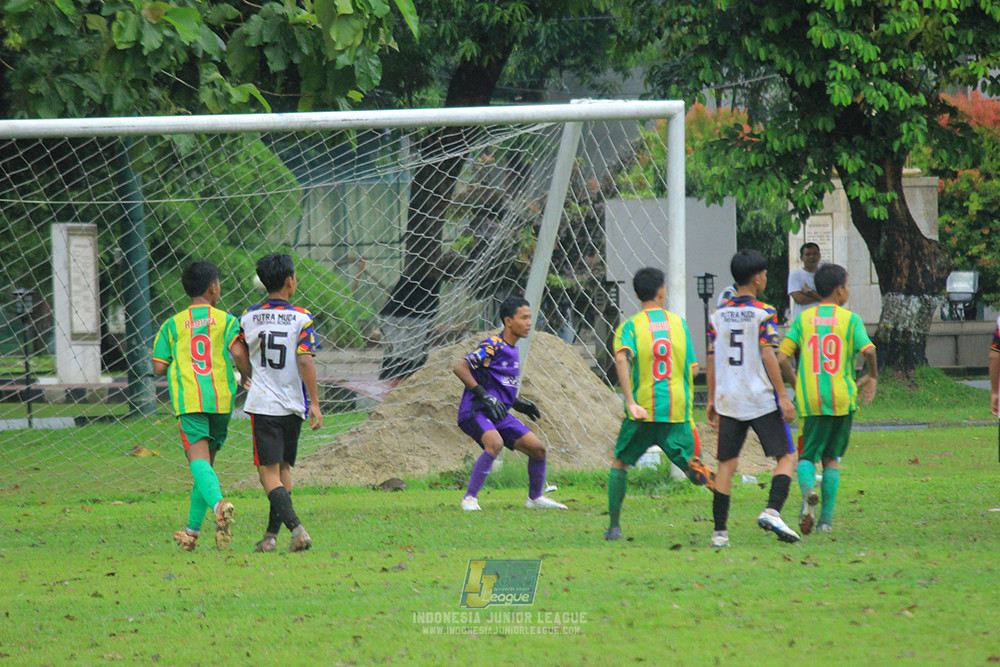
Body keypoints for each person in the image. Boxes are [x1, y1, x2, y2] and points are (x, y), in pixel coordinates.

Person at [605, 267, 715, 541]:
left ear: (636, 293)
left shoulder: (629, 326)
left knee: (620, 463)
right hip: (677, 411)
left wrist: (629, 401)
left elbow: (621, 358)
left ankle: (614, 527)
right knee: (691, 468)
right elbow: (692, 369)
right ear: (662, 291)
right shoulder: (679, 324)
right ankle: (709, 481)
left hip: (643, 409)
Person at [153, 260, 252, 551]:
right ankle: (191, 532)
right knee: (205, 467)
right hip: (221, 400)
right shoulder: (227, 321)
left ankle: (220, 505)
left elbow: (158, 367)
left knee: (198, 463)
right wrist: (248, 376)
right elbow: (238, 352)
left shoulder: (172, 325)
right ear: (213, 288)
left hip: (189, 400)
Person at [706, 249, 799, 547]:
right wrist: (783, 396)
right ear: (758, 278)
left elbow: (711, 357)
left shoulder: (717, 315)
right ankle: (772, 510)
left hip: (728, 398)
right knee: (786, 456)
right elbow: (767, 354)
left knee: (727, 465)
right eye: (766, 274)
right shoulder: (764, 312)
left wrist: (711, 398)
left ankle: (720, 533)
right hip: (758, 397)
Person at [777, 263, 877, 535]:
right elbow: (869, 351)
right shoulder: (850, 320)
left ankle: (809, 490)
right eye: (847, 286)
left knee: (807, 456)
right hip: (842, 399)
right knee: (831, 458)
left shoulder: (803, 320)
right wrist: (872, 376)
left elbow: (782, 357)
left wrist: (796, 384)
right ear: (839, 290)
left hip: (812, 400)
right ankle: (825, 522)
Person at [240, 253, 324, 553]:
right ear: (291, 281)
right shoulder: (303, 317)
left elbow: (236, 351)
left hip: (264, 405)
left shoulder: (248, 316)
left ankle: (298, 530)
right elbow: (304, 359)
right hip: (294, 405)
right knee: (284, 469)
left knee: (267, 473)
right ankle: (271, 536)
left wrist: (249, 374)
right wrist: (315, 402)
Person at [455, 296, 566, 511]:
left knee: (538, 450)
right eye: (523, 318)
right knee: (494, 444)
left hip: (499, 413)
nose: (528, 323)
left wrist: (517, 404)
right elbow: (460, 367)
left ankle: (535, 498)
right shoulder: (492, 345)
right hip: (476, 410)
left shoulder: (513, 349)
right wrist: (483, 395)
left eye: (530, 318)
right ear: (508, 321)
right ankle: (469, 499)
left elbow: (496, 384)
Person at [788, 242, 822, 322]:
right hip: (802, 321)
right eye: (807, 254)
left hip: (821, 321)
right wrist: (821, 298)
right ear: (801, 257)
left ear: (819, 256)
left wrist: (811, 293)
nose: (812, 257)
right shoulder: (795, 275)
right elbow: (799, 299)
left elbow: (831, 297)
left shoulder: (824, 275)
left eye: (814, 254)